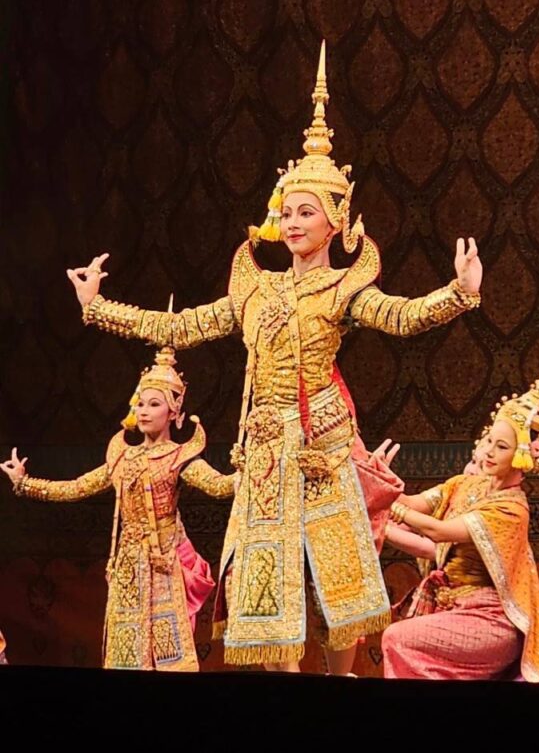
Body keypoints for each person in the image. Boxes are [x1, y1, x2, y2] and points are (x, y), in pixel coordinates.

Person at [66, 43, 482, 673]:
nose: (291, 222)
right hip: (264, 449)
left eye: (306, 212)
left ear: (336, 221)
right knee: (263, 582)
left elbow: (400, 316)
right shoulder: (256, 289)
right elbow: (181, 324)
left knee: (340, 579)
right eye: (285, 212)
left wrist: (458, 293)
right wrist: (100, 307)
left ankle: (340, 680)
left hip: (321, 447)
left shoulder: (341, 289)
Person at [0, 346, 234, 671]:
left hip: (163, 565)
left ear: (174, 412)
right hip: (128, 568)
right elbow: (77, 487)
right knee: (126, 654)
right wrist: (25, 483)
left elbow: (219, 486)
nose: (144, 411)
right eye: (140, 403)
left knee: (169, 655)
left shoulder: (178, 457)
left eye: (154, 404)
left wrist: (252, 469)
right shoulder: (122, 457)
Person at [380, 335, 539, 682]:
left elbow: (437, 531)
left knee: (398, 638)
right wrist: (380, 479)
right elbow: (412, 502)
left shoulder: (511, 508)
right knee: (400, 638)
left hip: (490, 621)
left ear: (520, 455)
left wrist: (392, 511)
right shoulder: (465, 484)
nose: (487, 452)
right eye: (488, 440)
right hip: (454, 608)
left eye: (501, 447)